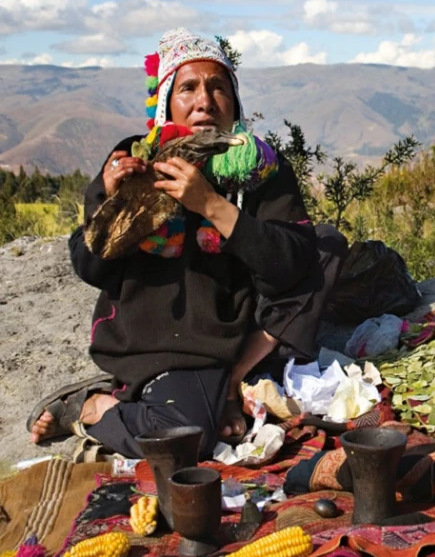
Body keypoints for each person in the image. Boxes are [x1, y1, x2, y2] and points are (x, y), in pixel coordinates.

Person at [27, 28, 347, 459]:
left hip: (239, 334)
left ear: (234, 102)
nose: (204, 100)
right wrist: (114, 206)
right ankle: (91, 407)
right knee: (187, 437)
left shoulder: (260, 166)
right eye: (188, 88)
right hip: (165, 345)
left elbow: (291, 262)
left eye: (218, 87)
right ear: (165, 102)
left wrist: (213, 205)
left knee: (324, 245)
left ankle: (233, 378)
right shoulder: (134, 160)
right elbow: (90, 266)